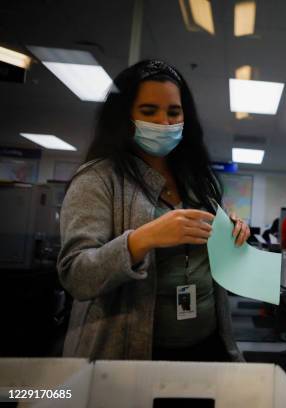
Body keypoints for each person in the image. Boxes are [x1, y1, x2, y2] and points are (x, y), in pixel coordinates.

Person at [57, 60, 250, 362]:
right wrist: (143, 239)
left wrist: (231, 232)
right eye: (149, 111)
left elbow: (212, 255)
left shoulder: (197, 179)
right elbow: (77, 276)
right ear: (125, 117)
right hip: (131, 354)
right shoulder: (97, 179)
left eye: (173, 112)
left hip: (208, 345)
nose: (164, 122)